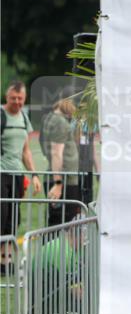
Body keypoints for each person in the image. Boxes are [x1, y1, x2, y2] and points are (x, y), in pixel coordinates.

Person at [1, 82, 42, 262]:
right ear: (6, 97)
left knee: (13, 218)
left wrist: (34, 175)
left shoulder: (24, 118)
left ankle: (6, 260)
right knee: (1, 217)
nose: (17, 102)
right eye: (13, 98)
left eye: (20, 98)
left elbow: (26, 151)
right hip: (1, 173)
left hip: (17, 174)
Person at [41, 97, 83, 227]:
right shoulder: (60, 123)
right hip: (64, 181)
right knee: (63, 223)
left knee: (57, 221)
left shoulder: (49, 119)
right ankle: (57, 248)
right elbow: (56, 153)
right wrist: (58, 183)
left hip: (61, 178)